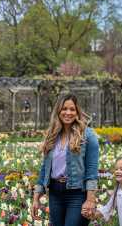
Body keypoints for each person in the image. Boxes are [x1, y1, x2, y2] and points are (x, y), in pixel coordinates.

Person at [31, 94, 99, 226]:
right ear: (58, 111)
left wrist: (90, 200)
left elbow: (92, 171)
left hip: (77, 195)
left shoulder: (88, 135)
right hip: (55, 194)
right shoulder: (52, 135)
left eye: (72, 109)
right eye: (64, 109)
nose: (68, 113)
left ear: (77, 111)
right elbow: (45, 169)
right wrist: (36, 197)